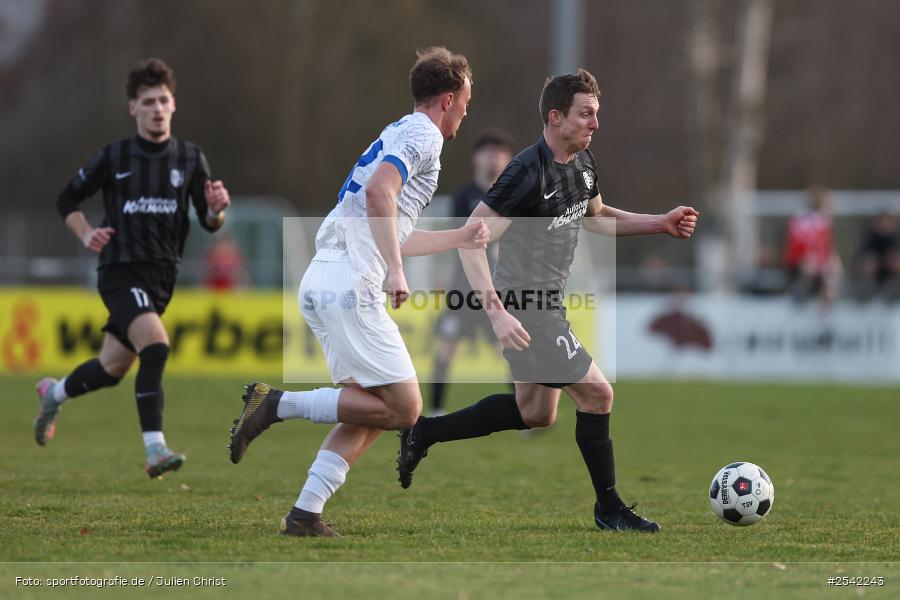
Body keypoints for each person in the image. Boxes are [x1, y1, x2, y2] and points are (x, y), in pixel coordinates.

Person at [397, 69, 699, 532]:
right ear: (556, 118)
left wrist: (659, 222)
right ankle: (609, 508)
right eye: (586, 114)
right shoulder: (525, 172)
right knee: (598, 393)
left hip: (549, 303)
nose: (595, 124)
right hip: (526, 306)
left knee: (535, 412)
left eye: (597, 114)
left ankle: (423, 432)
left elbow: (596, 216)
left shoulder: (583, 162)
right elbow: (470, 239)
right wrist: (496, 311)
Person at [227, 47, 487, 537]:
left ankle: (305, 514)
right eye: (467, 103)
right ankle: (276, 405)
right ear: (449, 99)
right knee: (406, 409)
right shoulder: (423, 133)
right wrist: (393, 271)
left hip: (327, 276)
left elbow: (390, 222)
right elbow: (379, 194)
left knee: (374, 405)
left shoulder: (396, 131)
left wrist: (458, 237)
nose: (466, 114)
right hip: (352, 281)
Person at [33, 58, 231, 478]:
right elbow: (67, 199)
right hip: (121, 271)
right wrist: (86, 233)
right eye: (148, 101)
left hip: (162, 278)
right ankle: (155, 448)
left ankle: (55, 392)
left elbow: (209, 221)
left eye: (163, 100)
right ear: (133, 109)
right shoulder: (115, 155)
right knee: (156, 347)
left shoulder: (191, 159)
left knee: (112, 369)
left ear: (173, 104)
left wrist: (217, 212)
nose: (157, 108)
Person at [430, 129, 514, 416]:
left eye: (500, 151)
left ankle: (524, 410)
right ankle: (437, 409)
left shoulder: (513, 197)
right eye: (488, 150)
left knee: (510, 349)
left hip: (497, 289)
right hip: (462, 289)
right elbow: (453, 236)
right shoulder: (463, 196)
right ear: (475, 159)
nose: (494, 156)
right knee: (446, 347)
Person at [784, 185, 842, 304]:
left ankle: (827, 305)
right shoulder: (802, 220)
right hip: (800, 264)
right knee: (810, 268)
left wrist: (831, 262)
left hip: (818, 264)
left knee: (832, 275)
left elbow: (828, 247)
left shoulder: (824, 222)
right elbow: (798, 247)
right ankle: (802, 294)